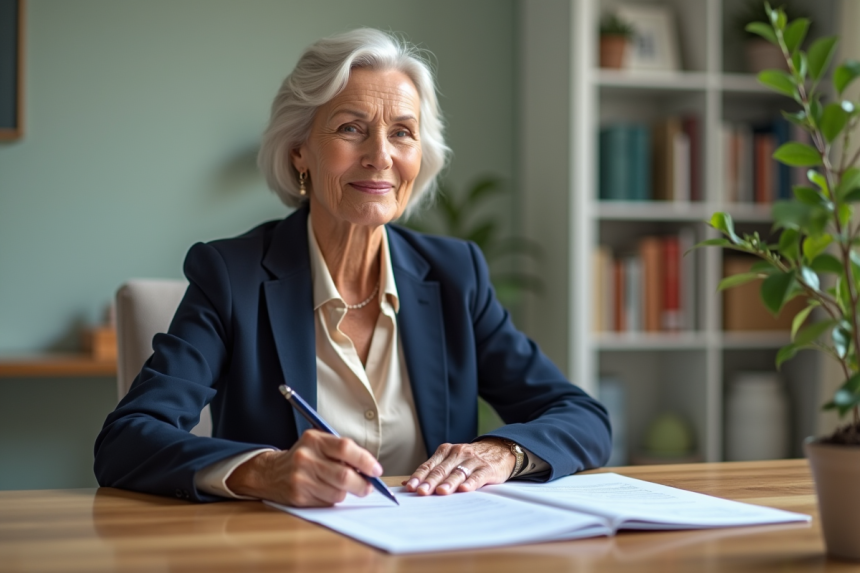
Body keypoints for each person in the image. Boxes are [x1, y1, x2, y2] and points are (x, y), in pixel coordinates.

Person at [94, 28, 611, 507]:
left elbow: (583, 417)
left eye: (402, 132)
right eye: (351, 128)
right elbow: (127, 439)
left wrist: (504, 452)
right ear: (300, 151)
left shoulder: (457, 274)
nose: (380, 155)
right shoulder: (232, 276)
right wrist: (265, 470)